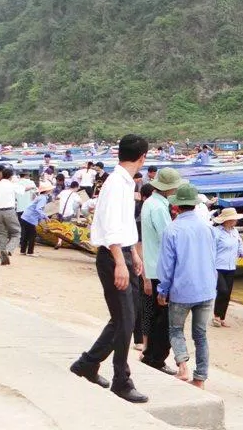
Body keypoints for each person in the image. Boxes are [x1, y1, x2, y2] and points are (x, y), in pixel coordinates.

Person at [70, 133, 150, 403]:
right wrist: (120, 261)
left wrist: (133, 256)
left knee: (123, 318)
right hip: (112, 255)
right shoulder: (118, 184)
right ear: (142, 157)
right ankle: (121, 379)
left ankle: (88, 363)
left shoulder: (123, 182)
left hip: (122, 253)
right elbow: (112, 226)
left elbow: (123, 224)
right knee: (125, 320)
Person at [157, 183, 218, 388]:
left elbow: (167, 266)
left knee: (175, 329)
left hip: (182, 289)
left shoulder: (172, 229)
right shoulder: (208, 229)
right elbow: (212, 258)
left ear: (176, 207)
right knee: (200, 335)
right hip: (207, 288)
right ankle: (200, 377)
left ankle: (182, 366)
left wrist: (162, 290)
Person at [139, 168, 182, 374]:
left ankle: (151, 355)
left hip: (153, 267)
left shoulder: (151, 203)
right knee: (165, 318)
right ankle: (156, 358)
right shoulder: (158, 208)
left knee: (158, 316)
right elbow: (168, 239)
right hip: (161, 269)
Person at [212, 207, 243, 327]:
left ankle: (222, 317)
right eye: (233, 219)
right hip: (217, 266)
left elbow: (240, 246)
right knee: (222, 290)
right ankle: (216, 316)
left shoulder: (235, 232)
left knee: (228, 293)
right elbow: (211, 249)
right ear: (227, 220)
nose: (235, 221)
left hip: (231, 267)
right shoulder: (216, 232)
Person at [0, 168, 21, 265]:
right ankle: (8, 249)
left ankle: (4, 259)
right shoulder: (12, 185)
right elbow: (22, 190)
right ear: (11, 176)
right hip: (9, 211)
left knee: (1, 235)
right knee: (16, 233)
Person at [20, 181, 54, 256]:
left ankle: (23, 251)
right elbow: (38, 209)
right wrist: (45, 217)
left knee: (26, 235)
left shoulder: (40, 197)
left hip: (25, 216)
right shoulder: (43, 198)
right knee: (32, 235)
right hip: (30, 218)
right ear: (47, 190)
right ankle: (30, 252)